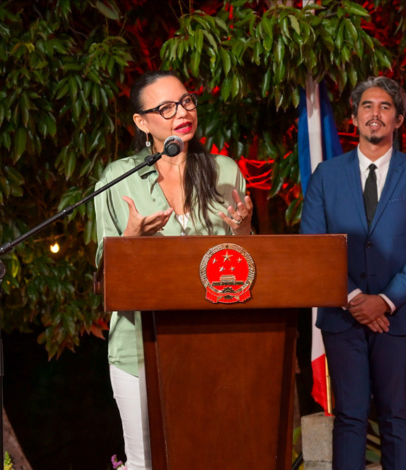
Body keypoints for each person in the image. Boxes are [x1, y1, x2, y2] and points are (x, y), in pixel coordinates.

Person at [94, 70, 253, 470]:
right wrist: (128, 242)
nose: (181, 112)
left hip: (214, 345)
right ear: (141, 122)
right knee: (144, 462)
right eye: (165, 107)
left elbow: (247, 265)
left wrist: (245, 229)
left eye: (186, 101)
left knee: (213, 456)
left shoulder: (225, 171)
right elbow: (106, 279)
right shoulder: (118, 179)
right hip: (137, 349)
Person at [301, 76, 406, 470]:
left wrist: (384, 300)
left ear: (398, 119)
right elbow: (313, 245)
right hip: (340, 315)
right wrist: (353, 299)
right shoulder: (326, 176)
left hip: (399, 316)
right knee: (348, 416)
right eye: (367, 106)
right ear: (353, 116)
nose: (375, 114)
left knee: (396, 414)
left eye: (384, 107)